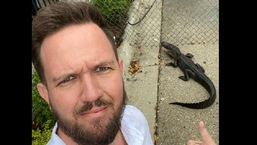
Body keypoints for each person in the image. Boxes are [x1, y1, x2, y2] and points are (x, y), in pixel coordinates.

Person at [32, 1, 217, 145]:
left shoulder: (133, 118)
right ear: (45, 94)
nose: (92, 94)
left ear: (120, 70)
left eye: (102, 68)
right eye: (68, 79)